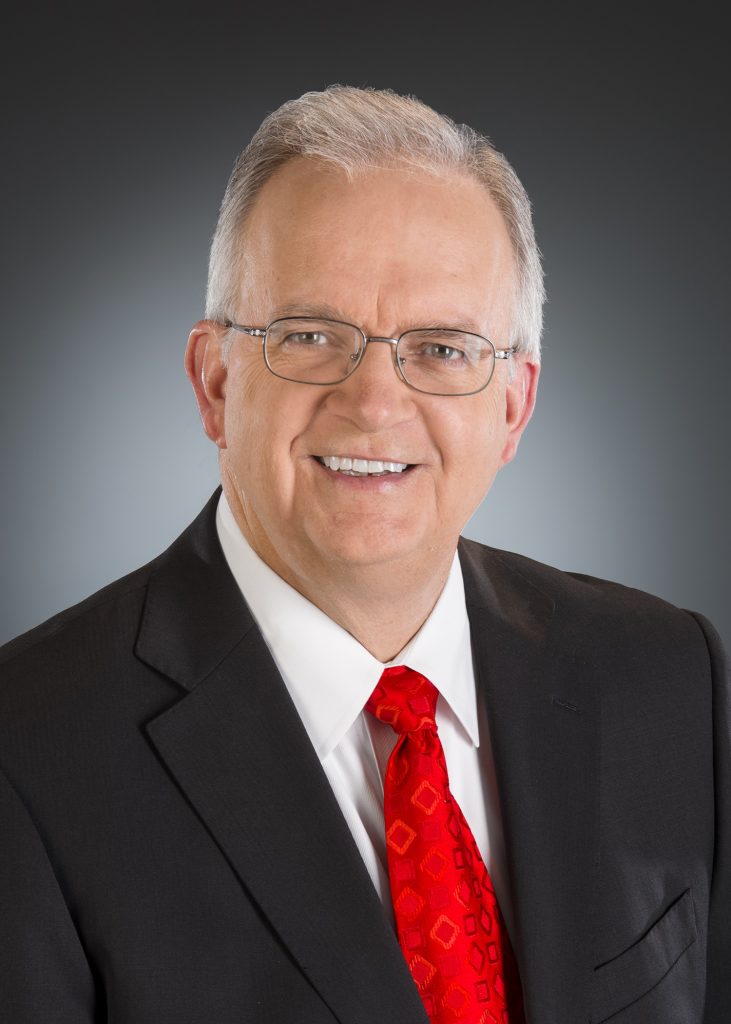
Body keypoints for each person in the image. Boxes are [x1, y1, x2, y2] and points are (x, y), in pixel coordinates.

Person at [0, 85, 728, 1024]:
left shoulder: (667, 676)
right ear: (215, 383)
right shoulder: (28, 754)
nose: (375, 402)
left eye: (441, 348)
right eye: (310, 335)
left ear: (513, 406)